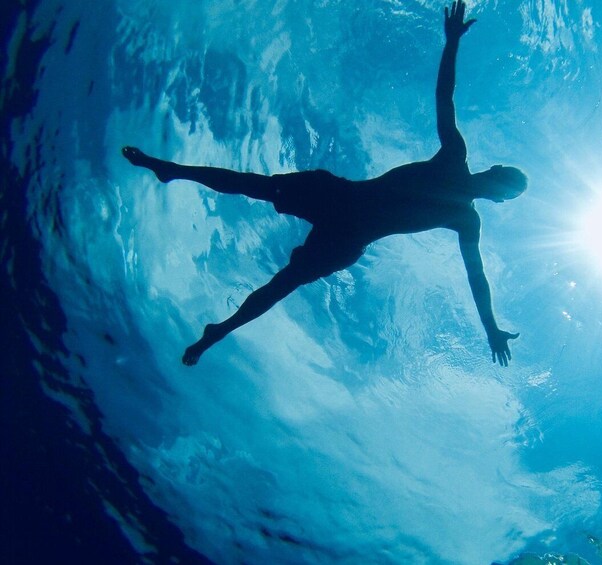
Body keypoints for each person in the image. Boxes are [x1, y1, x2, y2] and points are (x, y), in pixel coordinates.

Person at [123, 1, 526, 367]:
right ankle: (171, 169)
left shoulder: (466, 220)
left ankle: (218, 331)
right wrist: (452, 42)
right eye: (504, 180)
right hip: (339, 196)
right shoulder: (454, 156)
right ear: (495, 169)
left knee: (283, 285)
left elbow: (477, 278)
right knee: (252, 185)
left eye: (505, 192)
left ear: (499, 201)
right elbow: (444, 98)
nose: (498, 188)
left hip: (349, 239)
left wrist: (490, 328)